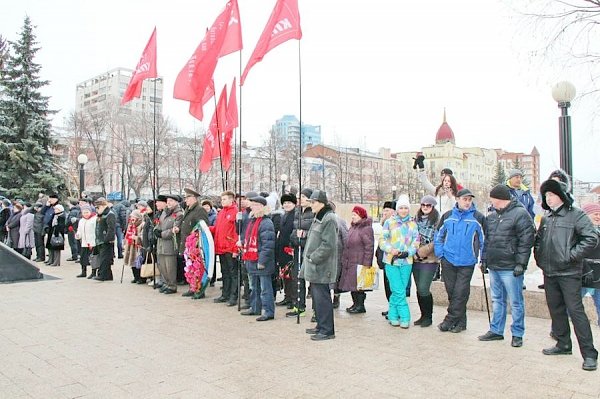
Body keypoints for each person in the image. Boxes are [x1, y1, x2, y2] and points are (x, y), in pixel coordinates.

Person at [534, 179, 598, 371]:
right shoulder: (547, 218)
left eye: (551, 195)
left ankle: (589, 354)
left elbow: (591, 238)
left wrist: (571, 256)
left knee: (576, 312)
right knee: (556, 309)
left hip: (569, 272)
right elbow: (539, 241)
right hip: (550, 272)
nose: (548, 199)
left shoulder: (576, 215)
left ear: (561, 196)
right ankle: (563, 344)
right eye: (546, 196)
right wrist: (540, 258)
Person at [478, 184, 535, 347]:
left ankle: (517, 333)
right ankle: (496, 330)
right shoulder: (492, 217)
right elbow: (487, 241)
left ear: (499, 199)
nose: (491, 201)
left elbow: (526, 241)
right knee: (497, 299)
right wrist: (484, 260)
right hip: (495, 265)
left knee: (516, 301)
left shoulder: (520, 214)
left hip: (511, 266)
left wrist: (521, 263)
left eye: (492, 198)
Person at [434, 188, 485, 333]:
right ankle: (461, 322)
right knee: (452, 292)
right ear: (457, 199)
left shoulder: (477, 217)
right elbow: (438, 235)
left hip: (467, 261)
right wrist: (440, 254)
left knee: (460, 292)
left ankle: (449, 319)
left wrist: (483, 258)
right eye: (465, 199)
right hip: (448, 259)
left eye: (470, 200)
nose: (467, 202)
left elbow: (483, 240)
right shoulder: (447, 216)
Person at [302, 190, 338, 341]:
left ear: (322, 203)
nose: (311, 204)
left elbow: (328, 244)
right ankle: (320, 326)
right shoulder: (319, 216)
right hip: (315, 266)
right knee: (317, 298)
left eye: (313, 202)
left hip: (321, 266)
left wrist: (313, 258)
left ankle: (327, 330)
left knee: (322, 298)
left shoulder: (329, 219)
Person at [379, 195, 420, 328]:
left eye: (405, 208)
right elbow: (382, 240)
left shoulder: (413, 224)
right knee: (398, 290)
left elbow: (416, 241)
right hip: (392, 261)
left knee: (399, 289)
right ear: (397, 209)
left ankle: (392, 315)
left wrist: (410, 252)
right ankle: (405, 316)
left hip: (407, 261)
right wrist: (391, 250)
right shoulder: (389, 222)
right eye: (401, 208)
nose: (403, 210)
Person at [240, 196, 277, 321]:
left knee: (265, 288)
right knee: (254, 287)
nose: (252, 207)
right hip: (252, 258)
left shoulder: (266, 222)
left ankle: (268, 311)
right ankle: (255, 307)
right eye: (252, 205)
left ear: (262, 206)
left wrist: (262, 261)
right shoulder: (252, 220)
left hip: (262, 261)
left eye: (255, 205)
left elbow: (268, 244)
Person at [338, 205, 374, 314]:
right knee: (352, 284)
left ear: (361, 216)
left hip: (360, 261)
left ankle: (360, 306)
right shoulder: (353, 227)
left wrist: (367, 264)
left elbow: (369, 247)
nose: (352, 217)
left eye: (355, 215)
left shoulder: (366, 229)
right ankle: (355, 304)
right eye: (352, 215)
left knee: (359, 285)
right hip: (350, 260)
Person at [412, 195, 441, 327]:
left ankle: (428, 316)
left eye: (428, 206)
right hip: (415, 259)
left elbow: (437, 241)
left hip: (429, 259)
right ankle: (423, 315)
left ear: (433, 207)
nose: (425, 208)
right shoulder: (415, 219)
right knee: (419, 289)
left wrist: (420, 252)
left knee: (424, 288)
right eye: (423, 205)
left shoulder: (437, 221)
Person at [287, 188, 314, 318]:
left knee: (313, 281)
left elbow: (317, 233)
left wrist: (304, 234)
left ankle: (316, 310)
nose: (300, 199)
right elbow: (293, 230)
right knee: (297, 278)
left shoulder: (314, 212)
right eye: (299, 197)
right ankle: (298, 306)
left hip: (310, 251)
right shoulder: (297, 212)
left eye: (303, 196)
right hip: (298, 249)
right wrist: (293, 239)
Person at [178, 188, 209, 297]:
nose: (185, 200)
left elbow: (204, 227)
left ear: (194, 198)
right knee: (190, 266)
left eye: (187, 198)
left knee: (197, 267)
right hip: (188, 244)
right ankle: (192, 287)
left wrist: (197, 242)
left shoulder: (199, 210)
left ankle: (199, 289)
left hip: (195, 245)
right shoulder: (189, 209)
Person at [211, 191, 239, 305]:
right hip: (221, 247)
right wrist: (207, 228)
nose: (222, 201)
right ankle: (225, 294)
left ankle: (233, 296)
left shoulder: (235, 212)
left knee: (233, 273)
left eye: (225, 199)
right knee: (225, 272)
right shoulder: (221, 212)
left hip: (230, 247)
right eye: (222, 199)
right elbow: (217, 228)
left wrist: (235, 249)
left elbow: (237, 232)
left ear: (231, 200)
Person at [154, 194, 183, 294]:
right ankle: (166, 283)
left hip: (170, 244)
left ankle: (172, 285)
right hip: (161, 243)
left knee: (170, 266)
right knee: (162, 265)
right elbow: (159, 224)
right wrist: (156, 230)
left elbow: (175, 229)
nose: (169, 202)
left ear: (176, 202)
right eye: (168, 200)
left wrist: (162, 234)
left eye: (171, 200)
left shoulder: (179, 214)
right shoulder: (165, 212)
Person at [275, 193, 297, 308]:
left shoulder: (295, 215)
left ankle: (293, 299)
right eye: (285, 203)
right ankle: (287, 297)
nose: (287, 205)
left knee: (291, 276)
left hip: (290, 249)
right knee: (285, 275)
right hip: (283, 249)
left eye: (289, 202)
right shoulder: (284, 216)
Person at [581, 203, 600, 328]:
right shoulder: (580, 231)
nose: (598, 217)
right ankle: (558, 329)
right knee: (572, 305)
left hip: (598, 275)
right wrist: (586, 270)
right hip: (583, 273)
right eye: (595, 214)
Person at [377, 200, 396, 319]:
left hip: (393, 258)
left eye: (387, 210)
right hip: (384, 258)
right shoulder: (385, 223)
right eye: (384, 210)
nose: (384, 212)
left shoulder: (395, 223)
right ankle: (391, 307)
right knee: (387, 286)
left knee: (393, 286)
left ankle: (395, 309)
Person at [93, 197, 116, 281]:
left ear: (103, 206)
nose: (96, 210)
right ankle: (108, 275)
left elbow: (111, 228)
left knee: (104, 259)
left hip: (106, 240)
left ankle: (102, 275)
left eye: (98, 207)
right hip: (100, 240)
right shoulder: (101, 215)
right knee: (104, 258)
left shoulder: (110, 214)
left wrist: (107, 239)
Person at [75, 204, 96, 278]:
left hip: (92, 242)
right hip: (84, 242)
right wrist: (78, 235)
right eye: (84, 212)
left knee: (93, 258)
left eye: (87, 212)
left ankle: (94, 272)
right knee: (83, 258)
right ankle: (83, 272)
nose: (86, 214)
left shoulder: (94, 219)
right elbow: (79, 230)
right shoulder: (81, 220)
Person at [123, 210, 144, 283]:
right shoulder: (130, 225)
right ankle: (135, 277)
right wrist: (125, 242)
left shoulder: (141, 225)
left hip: (137, 246)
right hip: (130, 245)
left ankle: (140, 277)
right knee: (132, 262)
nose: (132, 218)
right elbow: (126, 235)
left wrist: (136, 238)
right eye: (131, 216)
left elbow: (142, 236)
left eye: (134, 217)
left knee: (138, 262)